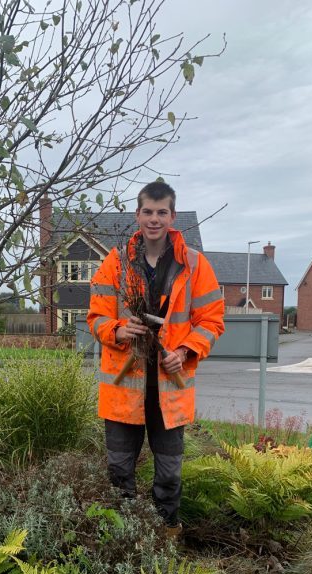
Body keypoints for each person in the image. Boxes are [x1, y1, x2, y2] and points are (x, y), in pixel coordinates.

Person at [87, 181, 224, 541]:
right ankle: (123, 540)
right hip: (122, 388)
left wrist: (185, 352)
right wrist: (118, 330)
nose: (154, 218)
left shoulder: (194, 264)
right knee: (119, 471)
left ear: (172, 216)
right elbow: (95, 317)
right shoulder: (115, 263)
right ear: (138, 215)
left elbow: (212, 321)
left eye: (162, 212)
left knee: (169, 473)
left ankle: (165, 539)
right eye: (148, 211)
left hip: (170, 389)